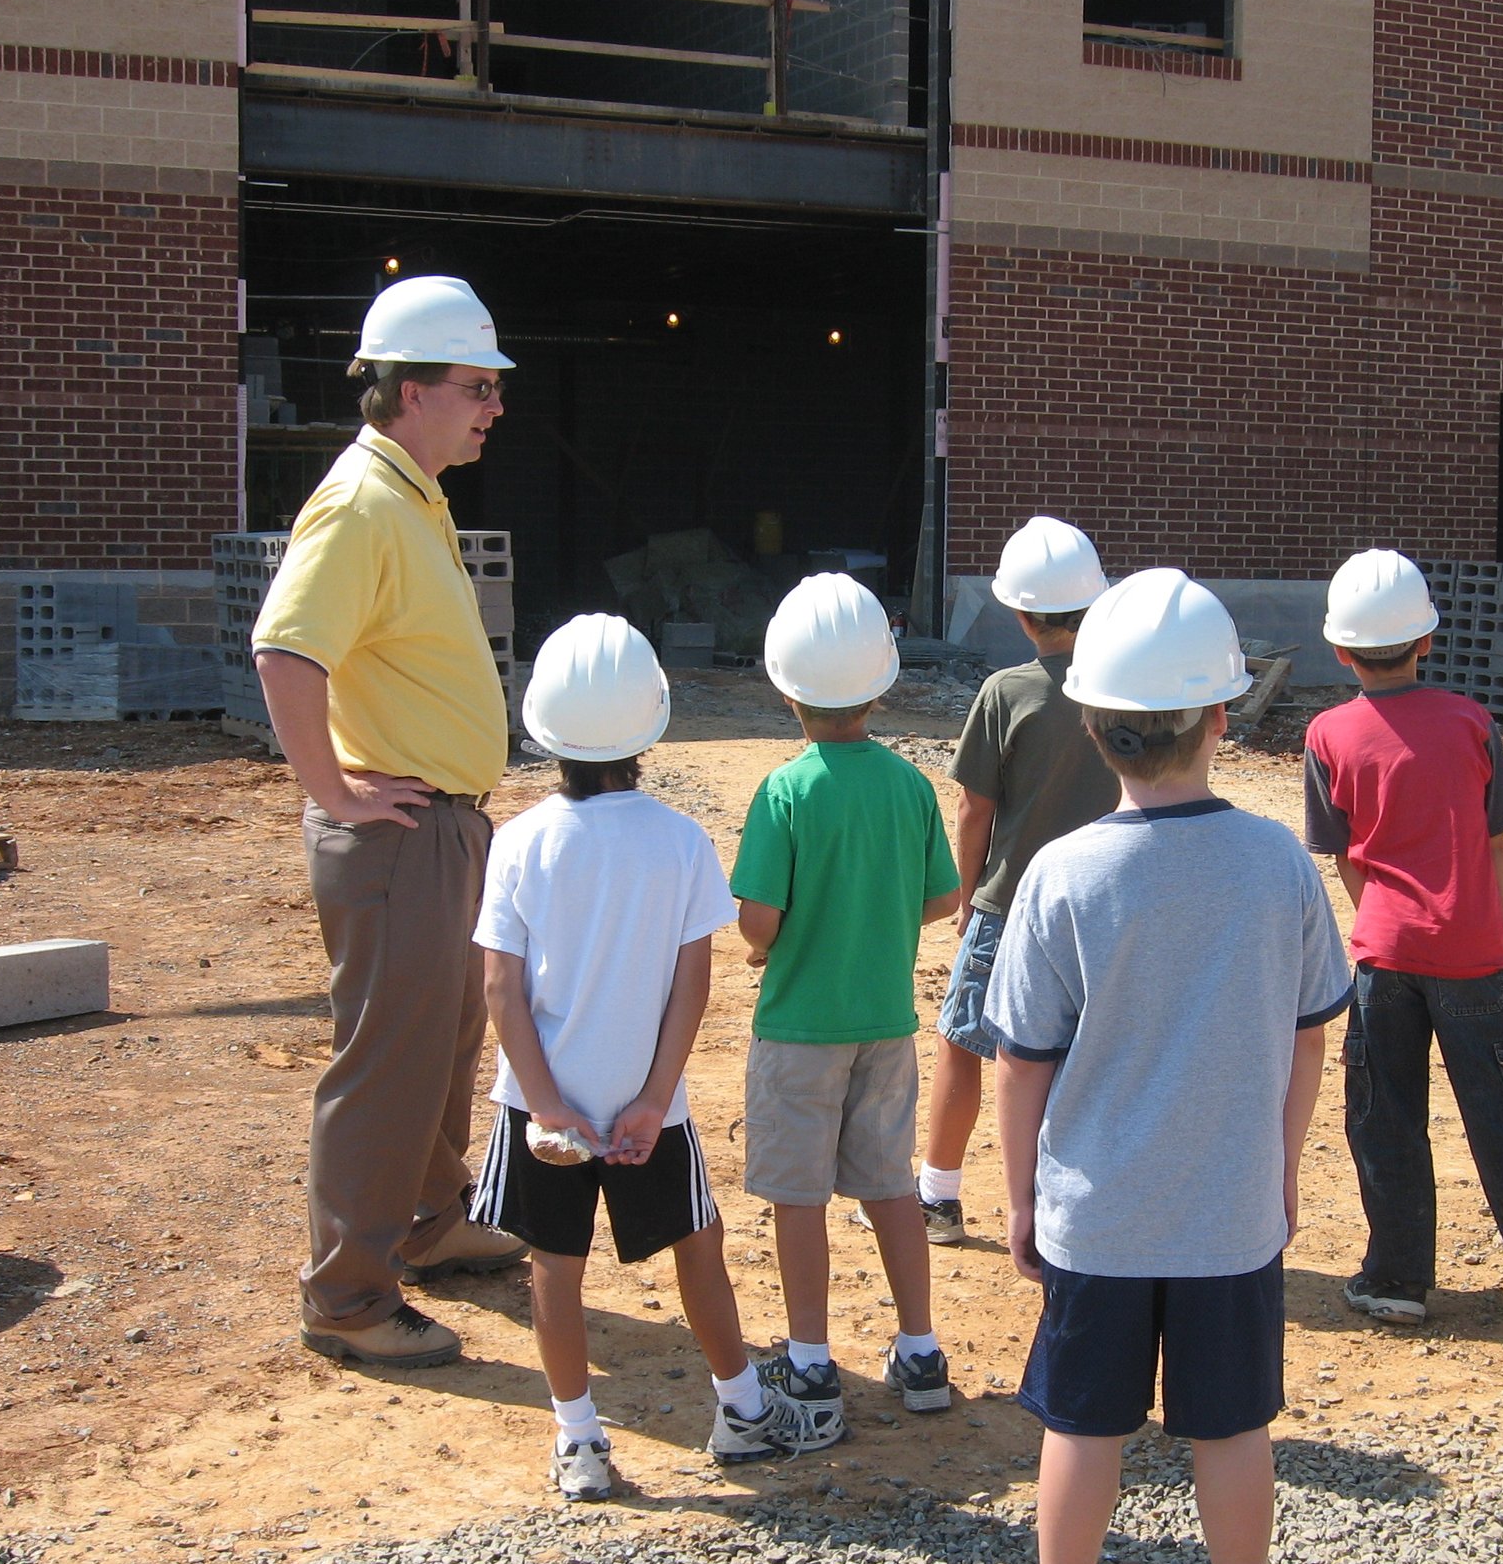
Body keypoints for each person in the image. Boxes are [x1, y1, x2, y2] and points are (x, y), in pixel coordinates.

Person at [969, 568, 1349, 1564]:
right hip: (1231, 1212)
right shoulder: (1277, 861)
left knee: (1083, 1423)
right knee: (1232, 1423)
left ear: (1091, 724)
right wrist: (1277, 1175)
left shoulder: (1063, 874)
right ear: (1223, 716)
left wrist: (1022, 1199)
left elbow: (1020, 1062)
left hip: (1098, 1213)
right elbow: (1307, 1039)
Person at [469, 616, 806, 1501]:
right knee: (699, 1245)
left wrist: (545, 1105)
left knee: (554, 1263)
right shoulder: (681, 840)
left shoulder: (518, 840)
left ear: (544, 726)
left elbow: (502, 991)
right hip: (650, 1105)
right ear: (652, 724)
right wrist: (655, 1099)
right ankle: (741, 1409)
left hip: (542, 1107)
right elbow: (693, 982)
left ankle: (580, 1440)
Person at [254, 275, 526, 1370]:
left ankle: (426, 1222)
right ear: (409, 391)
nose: (493, 405)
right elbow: (285, 651)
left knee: (446, 1038)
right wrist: (335, 790)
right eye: (476, 386)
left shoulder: (412, 492)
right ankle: (349, 1299)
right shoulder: (363, 502)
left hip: (441, 826)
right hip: (398, 832)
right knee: (386, 1065)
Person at [1301, 549, 1503, 1330]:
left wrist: (1384, 918)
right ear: (1427, 641)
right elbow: (1494, 847)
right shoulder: (1471, 722)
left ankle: (1394, 1276)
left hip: (1383, 957)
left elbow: (1347, 855)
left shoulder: (1325, 735)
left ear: (1340, 649)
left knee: (1384, 1118)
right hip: (1477, 956)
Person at [729, 573, 961, 1451]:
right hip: (886, 1024)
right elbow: (943, 898)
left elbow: (760, 919)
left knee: (800, 1197)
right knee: (890, 1183)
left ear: (785, 686)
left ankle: (814, 1360)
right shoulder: (908, 785)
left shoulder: (785, 792)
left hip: (798, 1028)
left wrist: (765, 946)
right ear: (882, 681)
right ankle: (920, 1348)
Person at [915, 516, 1118, 1245]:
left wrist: (968, 898)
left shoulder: (1005, 691)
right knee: (1071, 1053)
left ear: (1020, 612)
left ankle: (938, 1192)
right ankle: (1066, 1197)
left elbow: (974, 808)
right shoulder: (1115, 690)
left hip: (1010, 903)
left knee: (964, 1041)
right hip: (1098, 905)